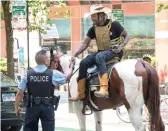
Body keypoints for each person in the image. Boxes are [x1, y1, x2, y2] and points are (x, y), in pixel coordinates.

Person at [70, 4, 129, 101]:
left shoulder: (115, 25)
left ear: (101, 15)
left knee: (100, 57)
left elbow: (127, 36)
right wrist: (74, 55)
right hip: (102, 52)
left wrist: (121, 46)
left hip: (115, 52)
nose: (92, 19)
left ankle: (104, 89)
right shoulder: (93, 28)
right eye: (91, 16)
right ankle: (81, 93)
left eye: (94, 16)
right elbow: (85, 45)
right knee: (83, 62)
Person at [15, 50, 74, 131]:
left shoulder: (28, 74)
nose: (50, 59)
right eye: (49, 58)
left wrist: (16, 106)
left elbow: (20, 93)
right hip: (47, 107)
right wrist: (71, 66)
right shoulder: (53, 73)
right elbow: (67, 77)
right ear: (46, 60)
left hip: (32, 107)